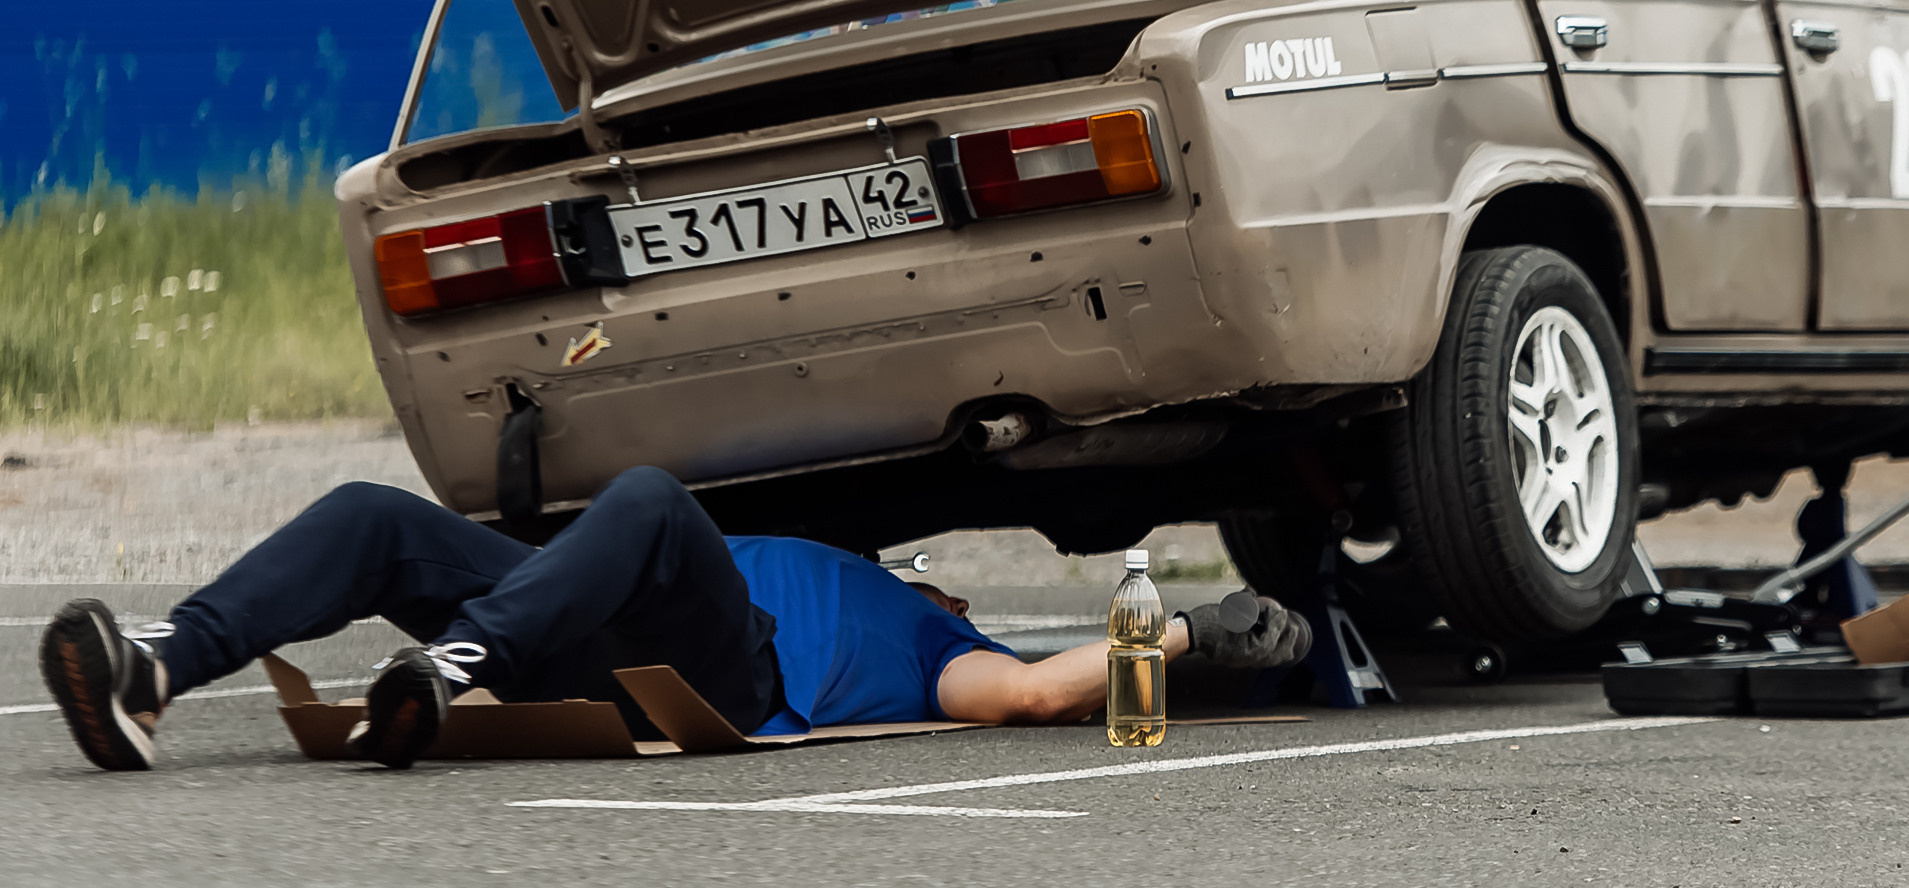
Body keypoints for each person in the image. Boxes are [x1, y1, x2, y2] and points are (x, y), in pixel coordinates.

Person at [39, 466, 1313, 771]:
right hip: (577, 612)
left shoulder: (942, 644)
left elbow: (1040, 696)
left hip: (727, 669)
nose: (936, 578)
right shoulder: (803, 549)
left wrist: (1188, 631)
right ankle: (159, 667)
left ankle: (455, 661)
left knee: (651, 500)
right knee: (376, 514)